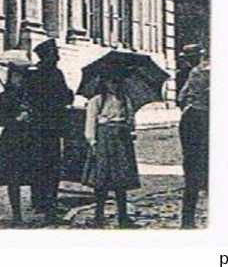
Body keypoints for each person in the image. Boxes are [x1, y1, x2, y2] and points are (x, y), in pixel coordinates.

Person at [22, 38, 74, 223]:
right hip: (52, 127)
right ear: (49, 56)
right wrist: (69, 95)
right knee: (52, 166)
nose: (58, 57)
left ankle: (38, 201)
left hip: (34, 127)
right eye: (55, 53)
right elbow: (65, 97)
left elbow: (26, 98)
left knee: (36, 164)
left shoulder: (31, 74)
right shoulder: (54, 74)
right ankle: (49, 202)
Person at [83, 74, 141, 227]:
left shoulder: (125, 100)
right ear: (105, 82)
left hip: (121, 140)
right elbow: (90, 122)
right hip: (104, 140)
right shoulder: (97, 100)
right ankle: (98, 216)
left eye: (117, 81)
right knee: (101, 179)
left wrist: (131, 129)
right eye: (111, 81)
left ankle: (123, 216)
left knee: (121, 178)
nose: (114, 85)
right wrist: (92, 141)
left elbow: (131, 119)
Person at [0, 63, 36, 224]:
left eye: (23, 77)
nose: (20, 80)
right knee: (13, 179)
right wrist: (17, 119)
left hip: (29, 140)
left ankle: (36, 206)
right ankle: (16, 213)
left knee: (33, 176)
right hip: (11, 140)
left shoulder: (30, 96)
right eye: (16, 76)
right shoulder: (4, 97)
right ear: (10, 78)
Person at [178, 44, 210, 228]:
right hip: (204, 118)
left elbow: (181, 97)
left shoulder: (188, 74)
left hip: (190, 118)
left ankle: (187, 220)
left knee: (191, 171)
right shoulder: (207, 71)